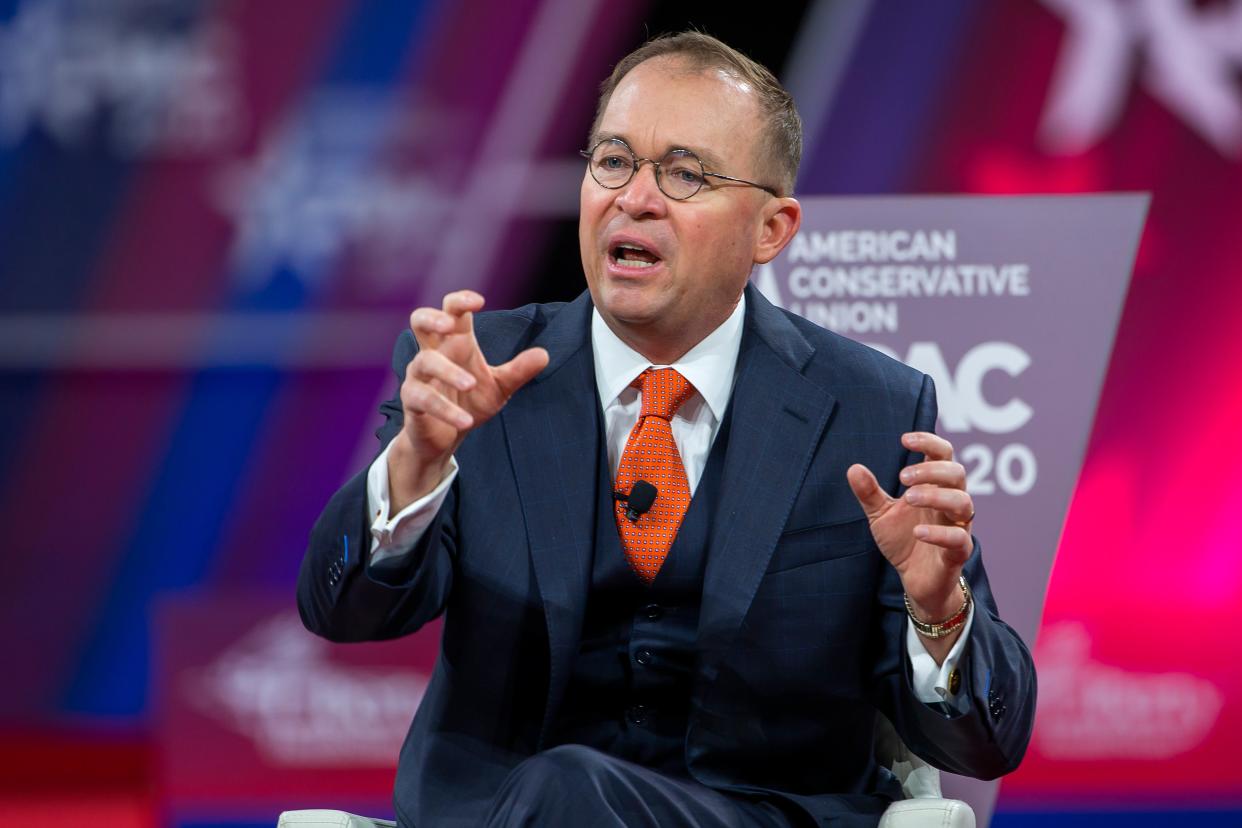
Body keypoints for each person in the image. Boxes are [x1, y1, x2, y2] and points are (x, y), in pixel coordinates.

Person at [298, 31, 1035, 827]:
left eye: (685, 173)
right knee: (563, 789)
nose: (635, 197)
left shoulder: (870, 409)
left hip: (755, 815)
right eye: (613, 161)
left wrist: (937, 609)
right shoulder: (479, 372)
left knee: (571, 789)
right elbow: (344, 615)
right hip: (506, 812)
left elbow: (988, 744)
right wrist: (416, 461)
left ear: (772, 229)